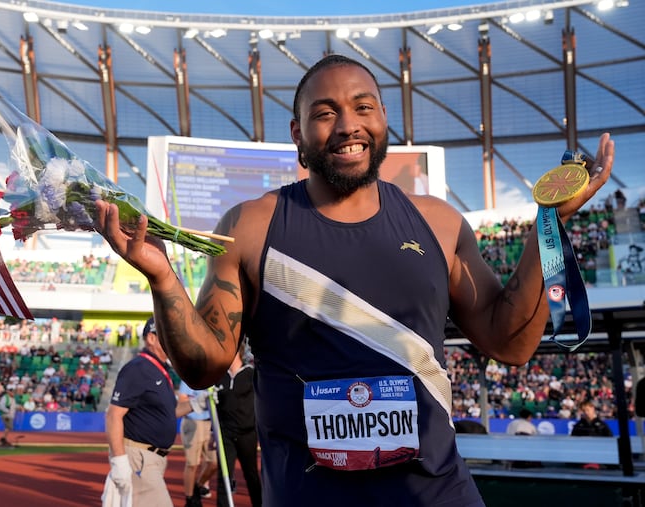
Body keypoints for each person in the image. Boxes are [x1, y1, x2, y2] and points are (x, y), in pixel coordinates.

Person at [94, 54, 615, 506]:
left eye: (363, 107)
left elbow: (511, 341)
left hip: (434, 495)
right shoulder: (251, 226)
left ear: (383, 118)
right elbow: (205, 366)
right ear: (297, 133)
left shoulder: (438, 221)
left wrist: (549, 224)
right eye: (325, 113)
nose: (348, 125)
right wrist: (163, 279)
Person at [104, 316, 198, 506]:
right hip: (138, 458)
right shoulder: (139, 368)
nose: (173, 341)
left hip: (153, 460)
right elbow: (114, 415)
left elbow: (168, 413)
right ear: (151, 339)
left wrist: (197, 404)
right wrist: (119, 461)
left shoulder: (160, 370)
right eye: (166, 335)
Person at [213, 341, 262, 507]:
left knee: (251, 475)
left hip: (247, 434)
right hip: (225, 434)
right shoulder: (220, 376)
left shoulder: (250, 374)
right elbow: (216, 405)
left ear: (237, 353)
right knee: (224, 476)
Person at [178, 380, 218, 507]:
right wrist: (198, 402)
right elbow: (182, 401)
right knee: (192, 464)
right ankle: (190, 499)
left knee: (214, 462)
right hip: (193, 422)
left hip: (211, 422)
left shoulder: (214, 377)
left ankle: (198, 486)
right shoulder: (189, 378)